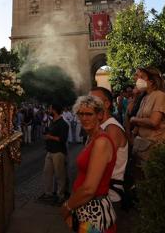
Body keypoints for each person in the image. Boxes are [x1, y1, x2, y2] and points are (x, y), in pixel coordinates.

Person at [60, 95, 117, 232]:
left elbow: (89, 189)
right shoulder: (92, 138)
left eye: (89, 114)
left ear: (100, 115)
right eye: (81, 114)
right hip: (84, 208)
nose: (84, 118)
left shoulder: (101, 142)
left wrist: (67, 207)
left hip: (94, 212)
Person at [91, 87, 128, 209]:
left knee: (97, 229)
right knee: (88, 229)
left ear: (106, 104)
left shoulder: (111, 128)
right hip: (100, 195)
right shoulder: (101, 126)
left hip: (108, 198)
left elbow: (100, 166)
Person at [129, 67, 165, 166]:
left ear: (151, 81)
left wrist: (134, 120)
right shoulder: (145, 98)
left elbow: (154, 122)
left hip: (158, 147)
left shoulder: (160, 96)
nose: (137, 79)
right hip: (144, 148)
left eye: (142, 77)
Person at [38, 103, 70, 203]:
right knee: (47, 173)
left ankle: (61, 195)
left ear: (55, 110)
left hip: (58, 152)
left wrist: (49, 137)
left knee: (60, 174)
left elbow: (62, 139)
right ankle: (48, 193)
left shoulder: (63, 124)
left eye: (50, 109)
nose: (49, 110)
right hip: (50, 151)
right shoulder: (52, 122)